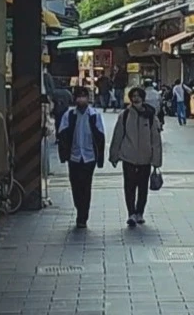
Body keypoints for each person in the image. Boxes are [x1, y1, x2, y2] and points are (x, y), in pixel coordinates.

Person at [110, 85, 163, 228]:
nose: (136, 99)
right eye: (133, 96)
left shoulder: (151, 116)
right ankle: (131, 213)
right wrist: (114, 155)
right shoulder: (125, 115)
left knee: (143, 187)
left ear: (143, 98)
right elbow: (117, 136)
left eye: (138, 96)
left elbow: (156, 139)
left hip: (145, 158)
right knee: (129, 186)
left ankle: (140, 212)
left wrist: (156, 160)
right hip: (129, 157)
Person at [57, 86, 105, 229]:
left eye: (84, 96)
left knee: (86, 185)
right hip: (74, 156)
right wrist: (63, 154)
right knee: (75, 185)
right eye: (79, 97)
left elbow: (101, 137)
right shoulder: (69, 115)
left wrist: (100, 158)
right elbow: (62, 135)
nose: (81, 99)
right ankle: (79, 208)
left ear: (88, 99)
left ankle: (83, 216)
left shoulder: (94, 116)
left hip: (89, 157)